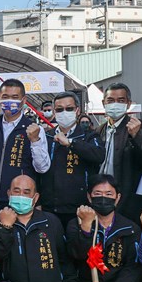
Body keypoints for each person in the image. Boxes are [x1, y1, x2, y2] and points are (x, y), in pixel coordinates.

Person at [0, 79, 50, 220]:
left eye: (15, 97)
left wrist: (35, 141)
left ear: (23, 100)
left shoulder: (34, 130)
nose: (9, 101)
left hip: (20, 202)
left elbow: (42, 168)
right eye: (5, 97)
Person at [38, 92, 105, 230]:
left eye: (69, 109)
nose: (64, 113)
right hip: (51, 208)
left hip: (81, 208)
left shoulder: (89, 136)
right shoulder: (47, 136)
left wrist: (70, 142)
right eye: (59, 109)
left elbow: (98, 155)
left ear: (77, 110)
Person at [97, 82, 142, 222]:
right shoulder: (99, 130)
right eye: (110, 100)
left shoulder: (141, 127)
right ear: (103, 103)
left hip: (128, 198)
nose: (115, 104)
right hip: (101, 196)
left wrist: (136, 136)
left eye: (121, 100)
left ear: (128, 104)